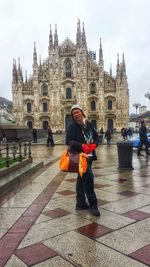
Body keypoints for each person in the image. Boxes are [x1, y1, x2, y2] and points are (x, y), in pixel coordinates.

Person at [66, 104, 100, 217]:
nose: (76, 114)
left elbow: (96, 136)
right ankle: (93, 204)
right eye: (74, 113)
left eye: (78, 112)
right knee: (89, 179)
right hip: (80, 157)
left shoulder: (88, 123)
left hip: (89, 155)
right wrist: (82, 146)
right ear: (72, 116)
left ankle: (80, 203)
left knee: (81, 179)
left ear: (82, 112)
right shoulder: (72, 126)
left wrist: (94, 144)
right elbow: (69, 141)